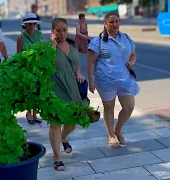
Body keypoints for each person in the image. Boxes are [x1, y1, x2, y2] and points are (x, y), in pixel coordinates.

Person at [87, 12, 140, 148]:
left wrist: (132, 62)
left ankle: (118, 129)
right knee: (109, 108)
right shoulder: (97, 41)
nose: (115, 24)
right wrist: (91, 81)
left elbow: (133, 54)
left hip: (124, 79)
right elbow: (91, 61)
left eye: (117, 21)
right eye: (111, 22)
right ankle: (111, 135)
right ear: (105, 24)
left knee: (129, 107)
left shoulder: (126, 38)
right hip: (105, 81)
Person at [49, 18, 87, 171]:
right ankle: (57, 158)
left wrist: (79, 73)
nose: (62, 33)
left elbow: (77, 62)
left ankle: (64, 138)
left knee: (73, 121)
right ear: (53, 31)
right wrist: (52, 46)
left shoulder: (73, 45)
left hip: (72, 87)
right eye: (58, 30)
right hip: (55, 88)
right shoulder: (48, 47)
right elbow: (47, 65)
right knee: (55, 124)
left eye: (64, 29)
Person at [17, 13, 43, 124]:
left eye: (34, 23)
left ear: (36, 24)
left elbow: (42, 49)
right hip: (27, 67)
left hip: (37, 67)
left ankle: (35, 113)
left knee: (37, 90)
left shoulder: (39, 34)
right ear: (25, 25)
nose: (32, 26)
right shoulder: (21, 37)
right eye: (29, 24)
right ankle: (28, 112)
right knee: (29, 91)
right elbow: (18, 54)